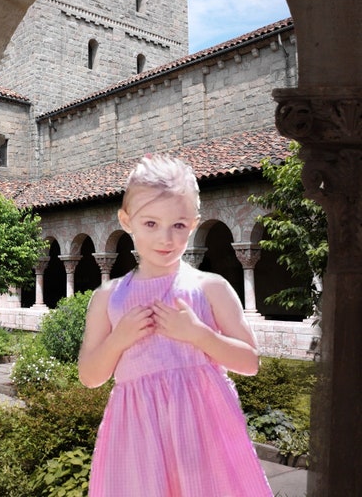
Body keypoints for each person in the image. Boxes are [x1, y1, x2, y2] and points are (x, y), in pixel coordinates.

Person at [78, 154, 273, 496]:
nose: (166, 239)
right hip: (138, 434)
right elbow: (90, 377)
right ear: (127, 220)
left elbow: (250, 363)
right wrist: (118, 340)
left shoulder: (209, 288)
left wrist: (198, 334)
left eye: (179, 225)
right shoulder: (108, 297)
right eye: (151, 224)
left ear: (194, 224)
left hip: (204, 433)